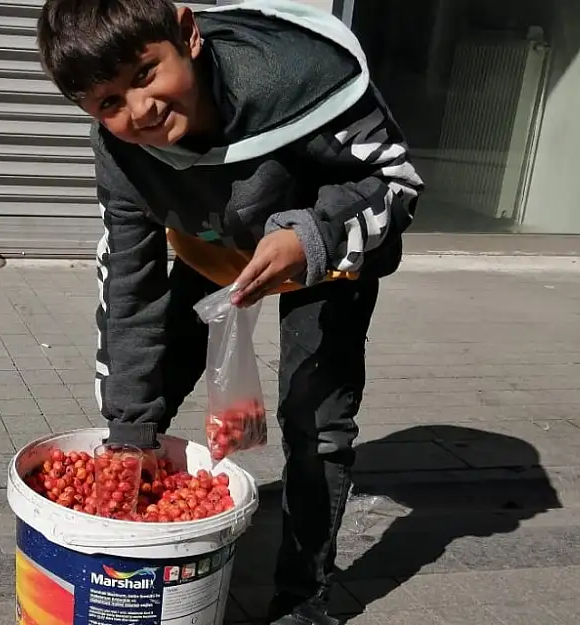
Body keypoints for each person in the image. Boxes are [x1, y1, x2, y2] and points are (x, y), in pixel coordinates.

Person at [37, 1, 423, 624]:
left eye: (144, 74)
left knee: (315, 423)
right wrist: (131, 431)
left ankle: (306, 596)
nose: (139, 111)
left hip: (324, 252)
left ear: (187, 34)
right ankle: (144, 555)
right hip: (214, 250)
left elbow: (395, 185)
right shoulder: (123, 152)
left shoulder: (301, 79)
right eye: (107, 103)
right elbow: (130, 289)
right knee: (144, 399)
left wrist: (312, 238)